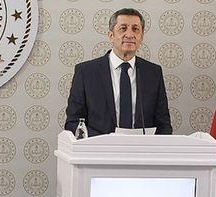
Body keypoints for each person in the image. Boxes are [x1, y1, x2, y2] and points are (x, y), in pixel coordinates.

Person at [65, 8, 172, 137]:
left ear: (141, 37)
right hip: (100, 148)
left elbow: (163, 124)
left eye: (135, 29)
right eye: (123, 28)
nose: (130, 34)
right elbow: (73, 123)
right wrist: (106, 141)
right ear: (111, 36)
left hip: (142, 148)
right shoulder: (86, 72)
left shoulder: (153, 73)